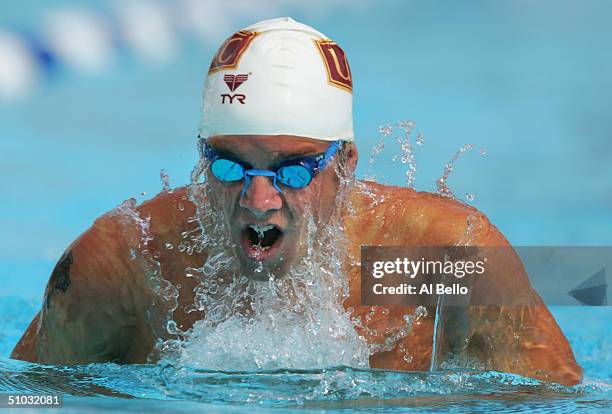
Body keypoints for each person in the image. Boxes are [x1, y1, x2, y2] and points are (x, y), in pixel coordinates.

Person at [11, 17, 582, 386]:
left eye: (293, 169)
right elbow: (30, 402)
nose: (259, 201)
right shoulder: (129, 266)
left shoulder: (425, 261)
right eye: (230, 165)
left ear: (346, 165)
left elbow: (555, 399)